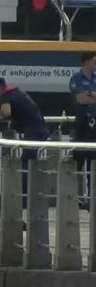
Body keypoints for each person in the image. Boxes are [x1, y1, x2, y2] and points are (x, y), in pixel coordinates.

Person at [0, 77, 48, 209]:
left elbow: (6, 112)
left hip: (33, 132)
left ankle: (23, 201)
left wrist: (2, 115)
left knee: (25, 166)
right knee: (28, 163)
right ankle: (26, 198)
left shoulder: (6, 96)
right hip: (39, 129)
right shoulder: (16, 92)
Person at [70, 51, 96, 207]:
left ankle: (92, 198)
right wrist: (89, 95)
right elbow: (80, 98)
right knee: (78, 162)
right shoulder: (76, 78)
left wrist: (92, 94)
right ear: (85, 62)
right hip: (82, 123)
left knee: (94, 161)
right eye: (94, 60)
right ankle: (75, 198)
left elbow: (87, 97)